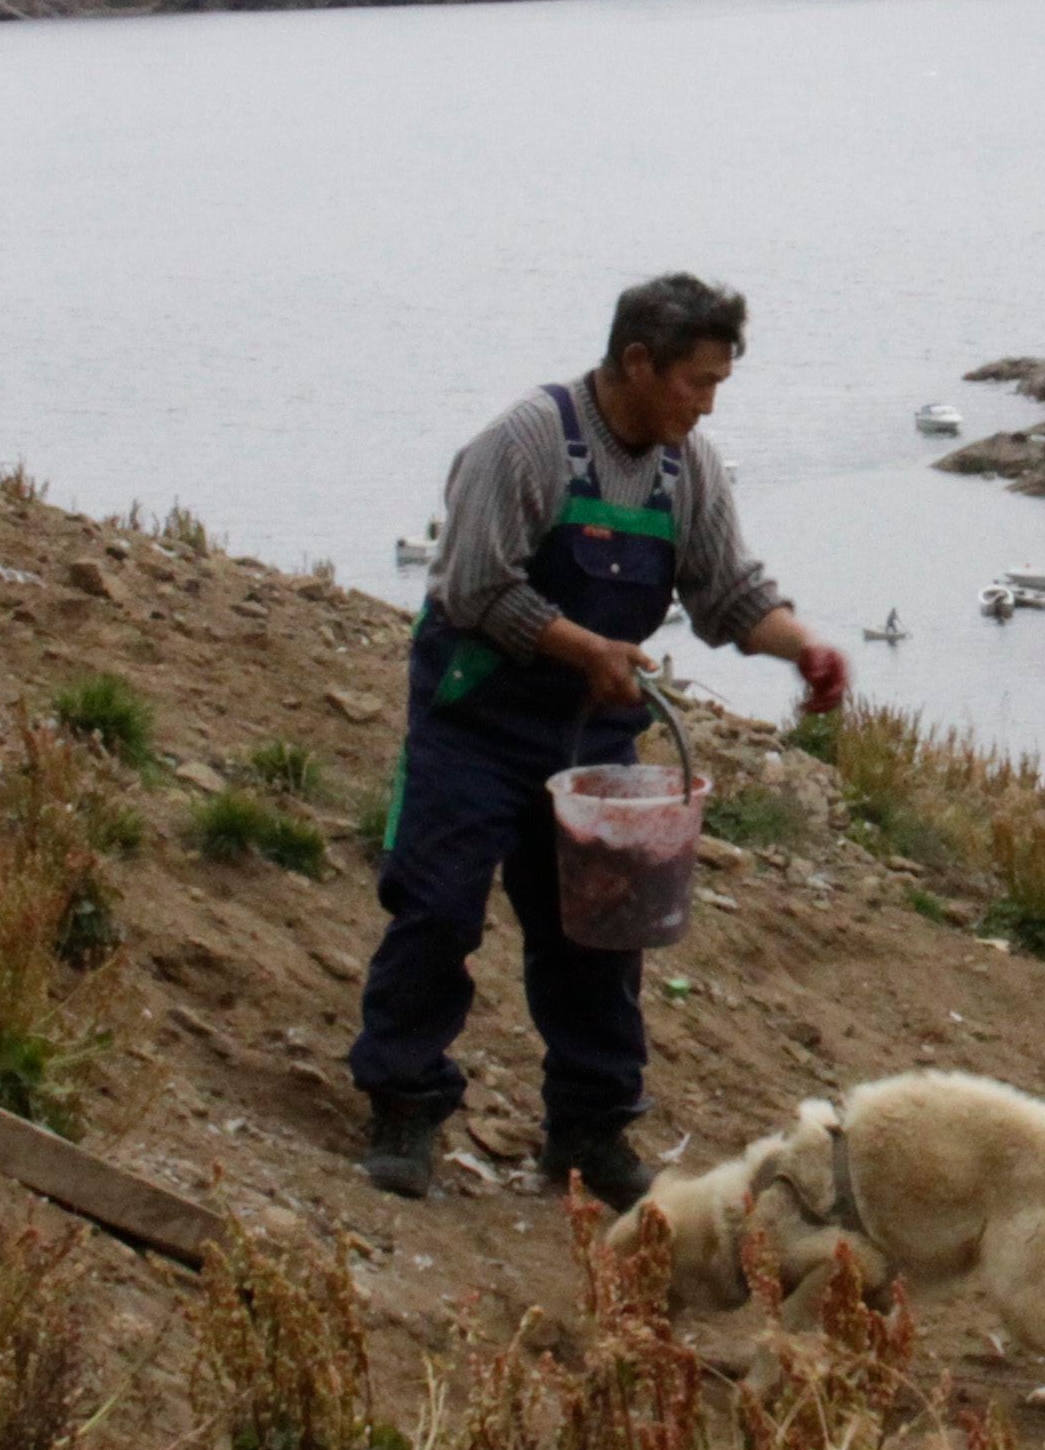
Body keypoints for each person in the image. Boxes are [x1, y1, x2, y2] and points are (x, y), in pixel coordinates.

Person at [350, 274, 847, 1206]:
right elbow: (473, 588)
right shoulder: (527, 444)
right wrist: (585, 649)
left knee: (601, 938)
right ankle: (403, 1105)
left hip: (592, 738)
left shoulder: (684, 468)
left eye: (717, 387)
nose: (705, 405)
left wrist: (803, 647)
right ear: (636, 362)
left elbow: (727, 593)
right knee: (438, 908)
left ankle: (588, 1133)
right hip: (477, 723)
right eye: (695, 383)